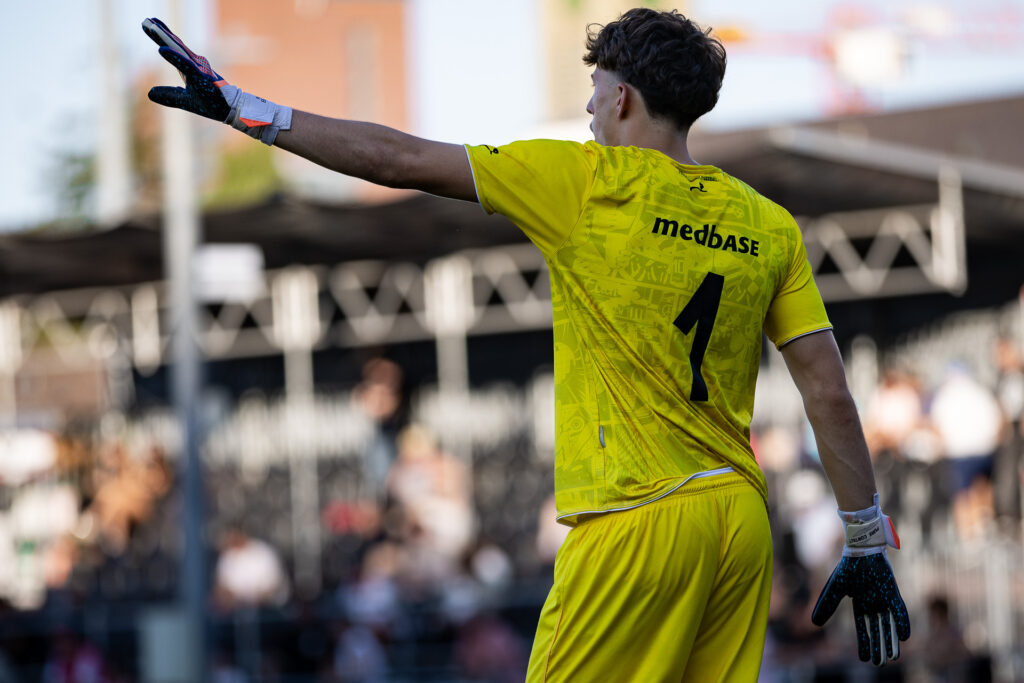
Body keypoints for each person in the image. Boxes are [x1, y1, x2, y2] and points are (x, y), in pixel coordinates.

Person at [143, 8, 909, 681]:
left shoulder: (582, 179)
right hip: (738, 523)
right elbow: (827, 388)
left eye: (595, 88)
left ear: (623, 97)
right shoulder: (766, 223)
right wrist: (865, 536)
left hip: (632, 518)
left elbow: (397, 159)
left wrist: (248, 110)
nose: (587, 105)